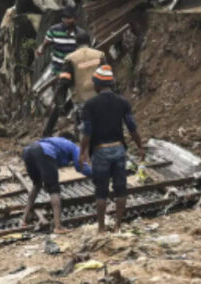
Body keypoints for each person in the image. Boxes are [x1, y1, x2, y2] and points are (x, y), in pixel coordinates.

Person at [79, 65, 145, 233]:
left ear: (97, 84)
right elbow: (132, 127)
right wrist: (140, 147)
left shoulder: (90, 105)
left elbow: (87, 132)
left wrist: (82, 152)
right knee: (120, 188)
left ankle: (101, 227)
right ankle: (118, 225)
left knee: (101, 191)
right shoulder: (122, 102)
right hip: (119, 149)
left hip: (101, 150)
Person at [21, 134, 92, 233]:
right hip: (44, 152)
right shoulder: (74, 147)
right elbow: (80, 166)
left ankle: (23, 219)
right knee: (54, 189)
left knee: (37, 184)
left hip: (28, 151)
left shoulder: (55, 141)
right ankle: (58, 227)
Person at [37, 6, 86, 137]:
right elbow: (45, 43)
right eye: (64, 18)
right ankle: (47, 133)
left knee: (78, 102)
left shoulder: (80, 34)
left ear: (75, 19)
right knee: (59, 104)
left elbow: (84, 52)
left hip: (75, 72)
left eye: (69, 18)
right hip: (59, 72)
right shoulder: (54, 31)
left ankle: (79, 132)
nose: (66, 20)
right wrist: (41, 48)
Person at [58, 31, 106, 137]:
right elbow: (107, 76)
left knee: (85, 127)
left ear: (76, 43)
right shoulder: (99, 55)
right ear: (89, 41)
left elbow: (64, 81)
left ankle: (86, 149)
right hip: (99, 96)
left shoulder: (70, 58)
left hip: (81, 98)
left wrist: (61, 101)